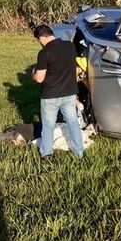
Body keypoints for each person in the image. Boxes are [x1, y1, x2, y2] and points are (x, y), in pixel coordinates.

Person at [32, 25, 84, 161]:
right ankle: (78, 152)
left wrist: (33, 74)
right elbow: (72, 67)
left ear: (41, 38)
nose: (39, 44)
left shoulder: (44, 53)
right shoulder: (69, 46)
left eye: (38, 41)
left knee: (48, 125)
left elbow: (39, 78)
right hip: (70, 93)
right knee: (73, 122)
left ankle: (46, 154)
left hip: (51, 96)